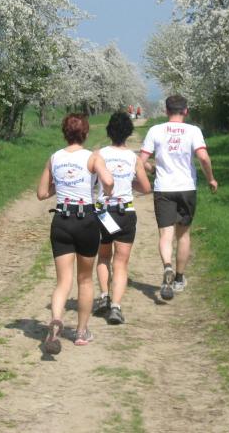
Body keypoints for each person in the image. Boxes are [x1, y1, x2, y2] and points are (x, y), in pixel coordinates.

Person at [37, 113, 114, 354]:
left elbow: (41, 193)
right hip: (86, 220)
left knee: (63, 281)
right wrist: (106, 191)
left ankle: (56, 320)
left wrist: (60, 186)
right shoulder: (92, 157)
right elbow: (109, 181)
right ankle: (81, 332)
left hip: (61, 219)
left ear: (64, 133)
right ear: (86, 133)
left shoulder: (54, 158)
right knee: (85, 279)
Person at [139, 94, 218, 300]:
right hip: (186, 188)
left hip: (163, 188)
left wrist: (152, 170)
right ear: (186, 111)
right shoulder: (193, 131)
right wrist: (211, 179)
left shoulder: (155, 130)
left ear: (166, 111)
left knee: (165, 235)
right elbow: (203, 157)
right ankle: (179, 278)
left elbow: (141, 160)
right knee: (183, 235)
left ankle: (167, 266)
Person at [93, 111, 152, 325]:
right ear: (128, 133)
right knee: (121, 262)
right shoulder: (133, 158)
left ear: (109, 131)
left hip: (103, 212)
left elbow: (92, 182)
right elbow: (146, 188)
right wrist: (128, 183)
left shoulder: (98, 155)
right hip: (125, 212)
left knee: (103, 257)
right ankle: (116, 307)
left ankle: (104, 296)